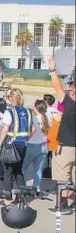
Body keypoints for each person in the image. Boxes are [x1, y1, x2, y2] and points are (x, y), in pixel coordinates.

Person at [0, 88, 35, 205]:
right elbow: (33, 129)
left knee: (8, 172)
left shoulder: (9, 112)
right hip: (22, 145)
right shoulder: (28, 111)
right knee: (18, 171)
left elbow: (5, 130)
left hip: (11, 145)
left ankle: (8, 199)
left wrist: (0, 143)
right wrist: (26, 139)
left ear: (10, 99)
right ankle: (22, 197)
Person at [48, 58, 75, 214]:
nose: (68, 92)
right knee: (73, 176)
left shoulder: (70, 105)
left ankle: (63, 205)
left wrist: (52, 70)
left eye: (70, 90)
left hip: (66, 147)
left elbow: (57, 87)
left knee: (63, 177)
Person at [21, 99, 51, 191]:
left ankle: (24, 187)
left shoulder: (34, 119)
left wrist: (25, 139)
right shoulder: (48, 119)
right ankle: (36, 188)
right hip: (44, 145)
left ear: (36, 108)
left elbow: (32, 131)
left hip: (32, 146)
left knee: (23, 168)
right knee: (38, 169)